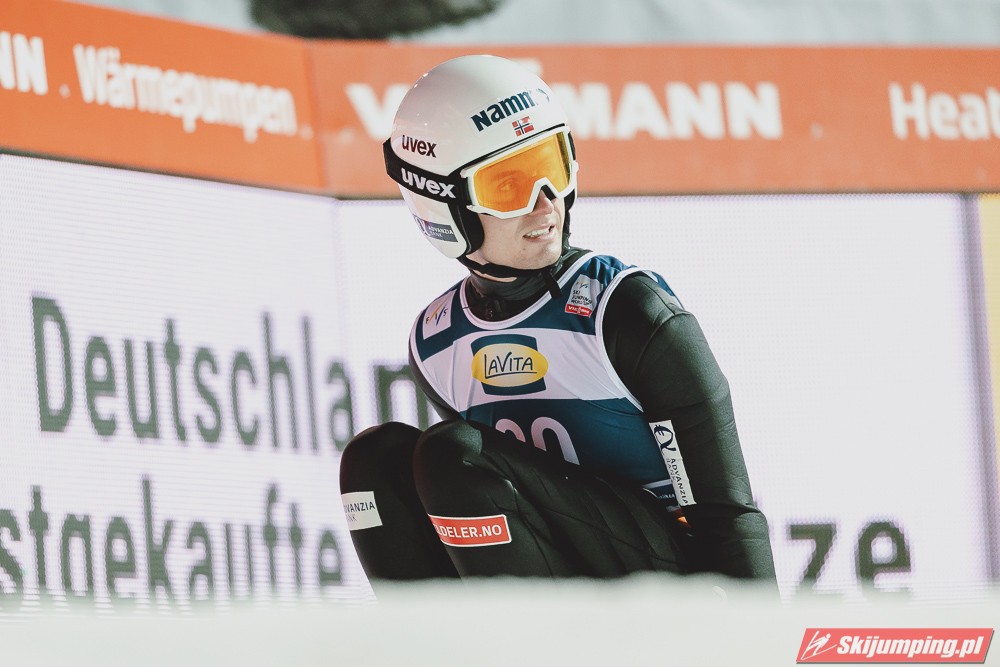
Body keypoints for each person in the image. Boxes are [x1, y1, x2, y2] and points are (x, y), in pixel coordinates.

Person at [339, 55, 776, 590]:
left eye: (553, 166)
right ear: (444, 206)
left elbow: (725, 511)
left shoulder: (625, 311)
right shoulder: (436, 344)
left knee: (455, 458)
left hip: (666, 585)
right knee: (373, 464)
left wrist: (755, 632)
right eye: (509, 185)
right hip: (558, 570)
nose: (545, 203)